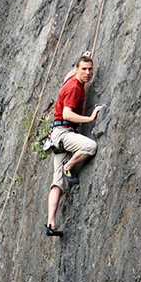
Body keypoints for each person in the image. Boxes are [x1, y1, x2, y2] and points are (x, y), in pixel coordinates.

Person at [45, 52, 105, 236]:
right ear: (78, 70)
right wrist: (90, 117)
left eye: (90, 69)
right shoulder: (75, 88)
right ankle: (69, 166)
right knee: (90, 147)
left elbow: (68, 74)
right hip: (63, 132)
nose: (88, 73)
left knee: (57, 184)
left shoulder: (70, 79)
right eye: (84, 69)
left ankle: (51, 223)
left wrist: (82, 57)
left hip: (57, 135)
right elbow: (67, 115)